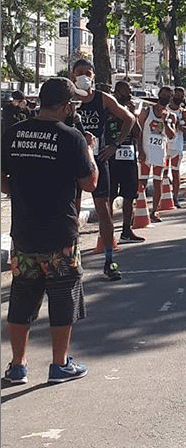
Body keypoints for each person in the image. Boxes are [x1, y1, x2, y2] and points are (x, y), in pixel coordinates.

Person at [1, 77, 97, 384]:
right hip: (60, 234)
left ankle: (17, 365)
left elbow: (1, 177)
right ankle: (59, 364)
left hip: (24, 232)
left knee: (22, 295)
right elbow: (89, 183)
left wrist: (20, 193)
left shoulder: (14, 134)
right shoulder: (72, 137)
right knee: (63, 295)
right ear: (67, 106)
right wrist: (91, 152)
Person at [71, 59, 135, 280]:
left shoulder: (102, 98)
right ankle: (72, 259)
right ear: (72, 75)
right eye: (79, 73)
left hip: (98, 160)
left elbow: (130, 118)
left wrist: (114, 145)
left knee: (103, 210)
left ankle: (109, 260)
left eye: (87, 73)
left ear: (94, 76)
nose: (83, 76)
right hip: (71, 162)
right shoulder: (67, 97)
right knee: (73, 211)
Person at [106, 81, 143, 243]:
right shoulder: (108, 108)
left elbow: (137, 133)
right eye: (126, 90)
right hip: (111, 157)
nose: (129, 93)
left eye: (129, 90)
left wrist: (133, 115)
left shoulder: (130, 110)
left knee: (130, 195)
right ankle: (107, 231)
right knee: (110, 195)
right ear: (118, 92)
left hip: (128, 157)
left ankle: (127, 230)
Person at [137, 87, 175, 222]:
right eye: (163, 95)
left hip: (160, 152)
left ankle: (155, 210)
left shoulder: (171, 115)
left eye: (168, 96)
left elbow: (171, 135)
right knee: (142, 180)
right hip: (146, 150)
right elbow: (138, 131)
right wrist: (140, 150)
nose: (165, 98)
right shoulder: (147, 112)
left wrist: (165, 121)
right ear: (159, 95)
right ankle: (139, 209)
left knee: (158, 181)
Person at [166, 86, 186, 208]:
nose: (178, 98)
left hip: (177, 146)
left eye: (181, 96)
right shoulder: (165, 110)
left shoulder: (184, 113)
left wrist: (180, 126)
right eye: (177, 95)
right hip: (164, 146)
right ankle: (163, 197)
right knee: (163, 173)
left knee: (175, 173)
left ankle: (175, 197)